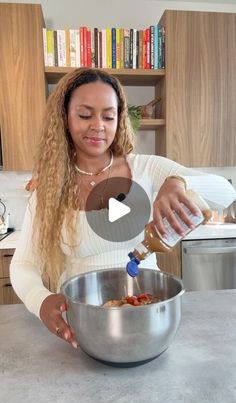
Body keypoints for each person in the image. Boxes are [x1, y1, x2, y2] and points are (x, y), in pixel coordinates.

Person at [10, 68, 235, 349]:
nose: (98, 125)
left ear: (119, 119)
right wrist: (39, 300)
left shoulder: (146, 168)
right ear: (65, 119)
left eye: (108, 116)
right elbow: (23, 265)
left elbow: (226, 192)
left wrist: (178, 181)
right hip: (82, 321)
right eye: (84, 114)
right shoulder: (48, 189)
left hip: (148, 314)